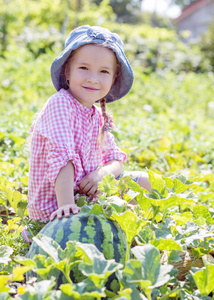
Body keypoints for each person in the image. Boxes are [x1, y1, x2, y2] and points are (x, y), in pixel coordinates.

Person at [27, 25, 151, 222]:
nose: (93, 79)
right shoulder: (60, 103)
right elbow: (63, 159)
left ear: (113, 78)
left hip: (87, 197)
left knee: (145, 182)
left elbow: (115, 161)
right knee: (98, 217)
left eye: (103, 71)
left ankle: (127, 227)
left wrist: (100, 174)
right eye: (84, 68)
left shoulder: (96, 115)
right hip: (58, 207)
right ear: (67, 71)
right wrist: (67, 206)